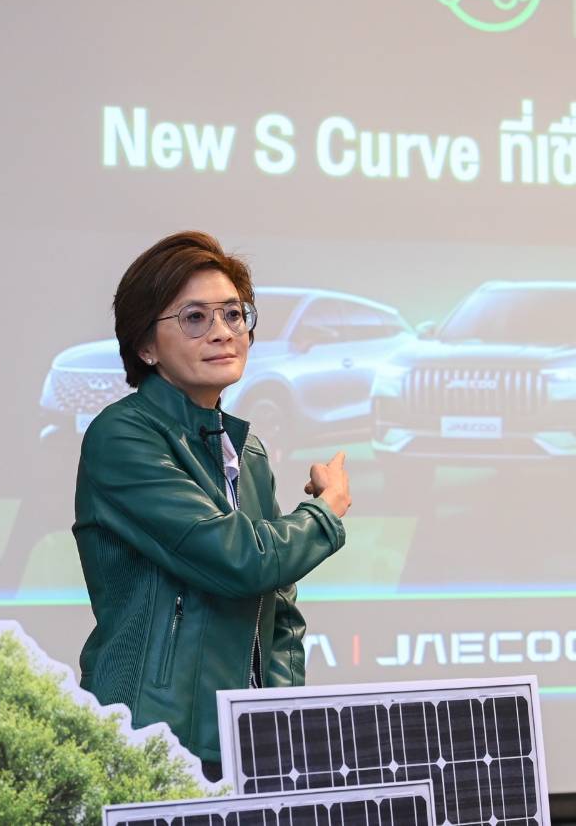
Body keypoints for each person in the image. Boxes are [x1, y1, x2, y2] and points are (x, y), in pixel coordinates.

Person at [72, 231, 351, 781]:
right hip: (151, 733)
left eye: (233, 314)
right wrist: (326, 512)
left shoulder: (247, 450)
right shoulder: (123, 436)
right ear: (146, 347)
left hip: (248, 742)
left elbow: (280, 612)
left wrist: (282, 724)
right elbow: (239, 559)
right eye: (194, 318)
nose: (223, 331)